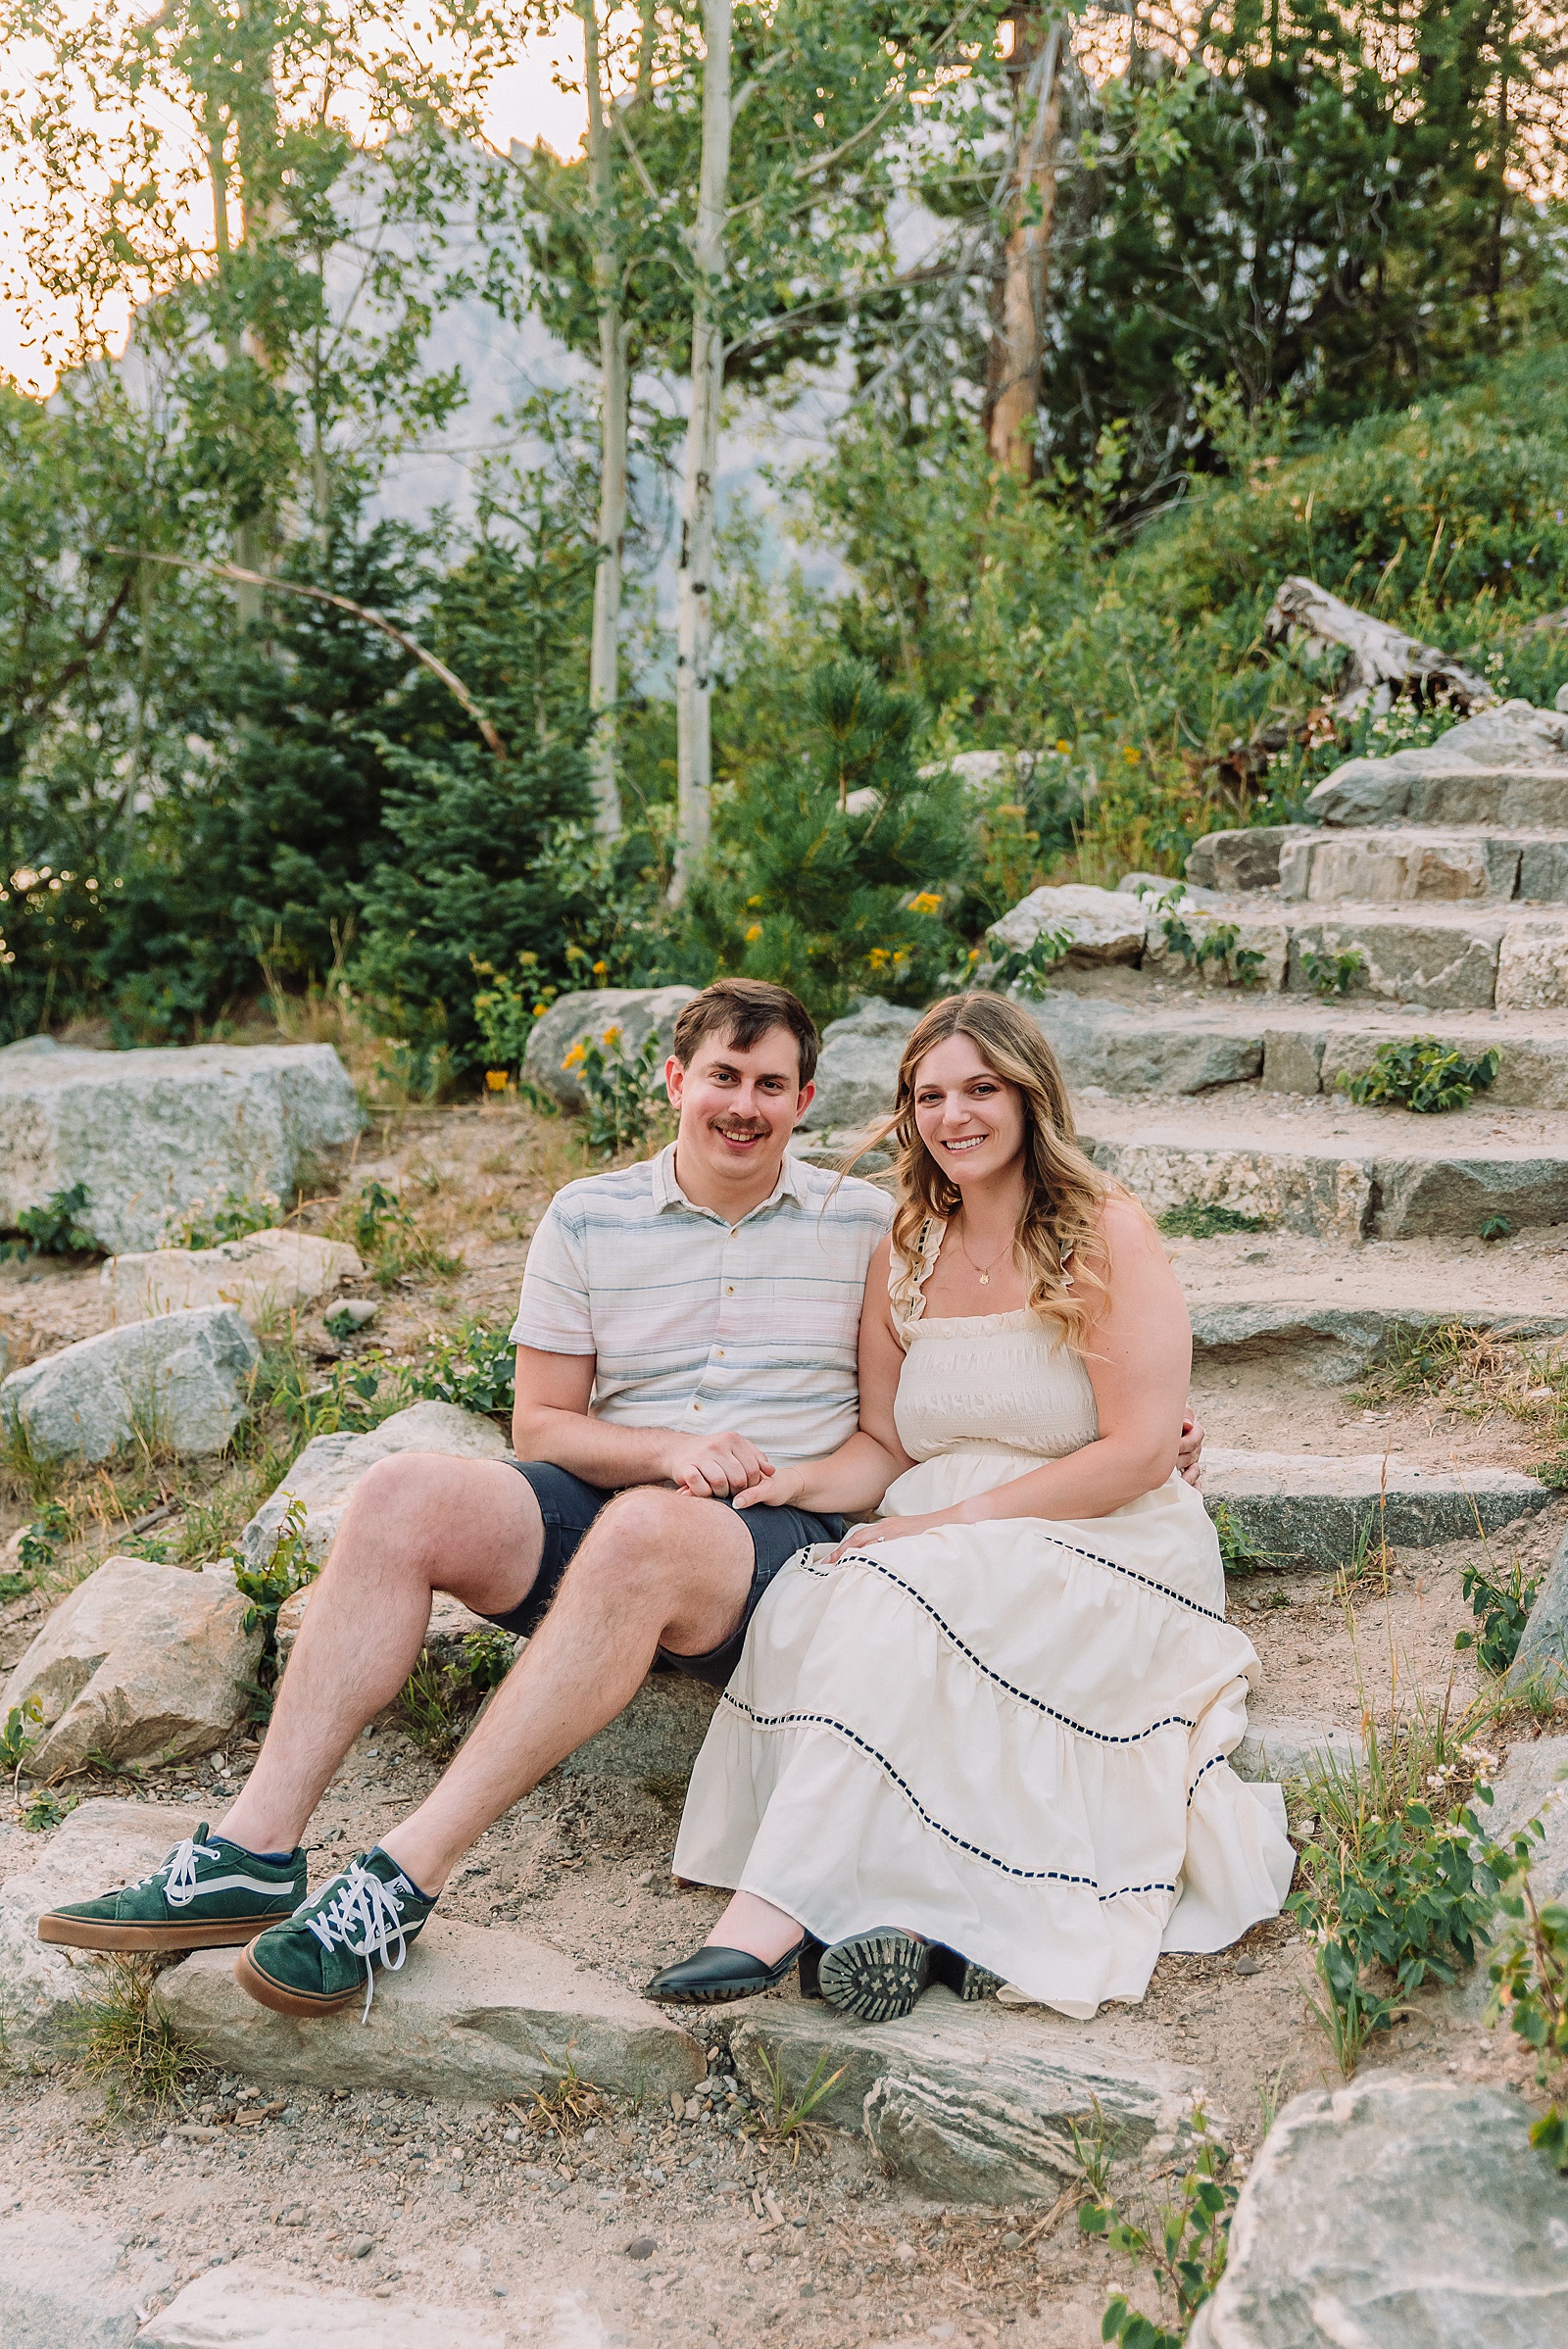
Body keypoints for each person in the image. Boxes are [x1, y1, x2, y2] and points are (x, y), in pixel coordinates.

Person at [37, 977, 1204, 2019]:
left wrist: (1155, 1440)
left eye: (771, 1084)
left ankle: (400, 1880)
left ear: (807, 1102)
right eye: (721, 1077)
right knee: (399, 1493)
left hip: (763, 1540)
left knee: (648, 1536)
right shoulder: (589, 1214)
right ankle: (252, 1848)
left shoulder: (871, 1222)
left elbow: (941, 1416)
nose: (742, 1105)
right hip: (627, 1492)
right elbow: (539, 1427)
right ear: (673, 1081)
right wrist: (664, 1453)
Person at [648, 992, 1293, 2025]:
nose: (954, 1117)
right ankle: (908, 1924)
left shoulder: (1105, 1233)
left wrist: (946, 1526)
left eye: (980, 1090)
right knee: (833, 1589)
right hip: (940, 1530)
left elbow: (1134, 1453)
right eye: (930, 1096)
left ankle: (764, 1918)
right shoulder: (903, 1248)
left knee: (914, 1585)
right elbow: (889, 1448)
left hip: (1106, 1535)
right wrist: (798, 1486)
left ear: (1028, 1098)